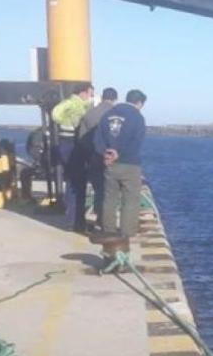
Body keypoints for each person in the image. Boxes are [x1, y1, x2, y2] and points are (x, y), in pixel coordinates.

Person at [93, 89, 147, 240]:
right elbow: (136, 142)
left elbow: (98, 139)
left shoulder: (107, 115)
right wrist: (119, 153)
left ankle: (108, 230)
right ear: (139, 103)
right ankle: (127, 233)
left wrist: (105, 153)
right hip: (129, 163)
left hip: (109, 164)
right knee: (130, 199)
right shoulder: (137, 117)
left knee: (109, 198)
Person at [52, 83, 94, 230]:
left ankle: (76, 219)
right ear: (83, 92)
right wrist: (70, 122)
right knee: (76, 184)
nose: (90, 97)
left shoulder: (80, 105)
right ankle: (74, 221)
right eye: (90, 93)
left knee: (76, 183)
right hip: (71, 143)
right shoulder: (72, 104)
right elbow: (56, 114)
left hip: (71, 144)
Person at [76, 87, 119, 230]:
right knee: (109, 190)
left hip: (93, 157)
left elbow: (81, 138)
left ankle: (98, 217)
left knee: (98, 189)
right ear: (115, 99)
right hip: (110, 158)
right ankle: (105, 222)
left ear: (101, 97)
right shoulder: (115, 115)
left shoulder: (89, 113)